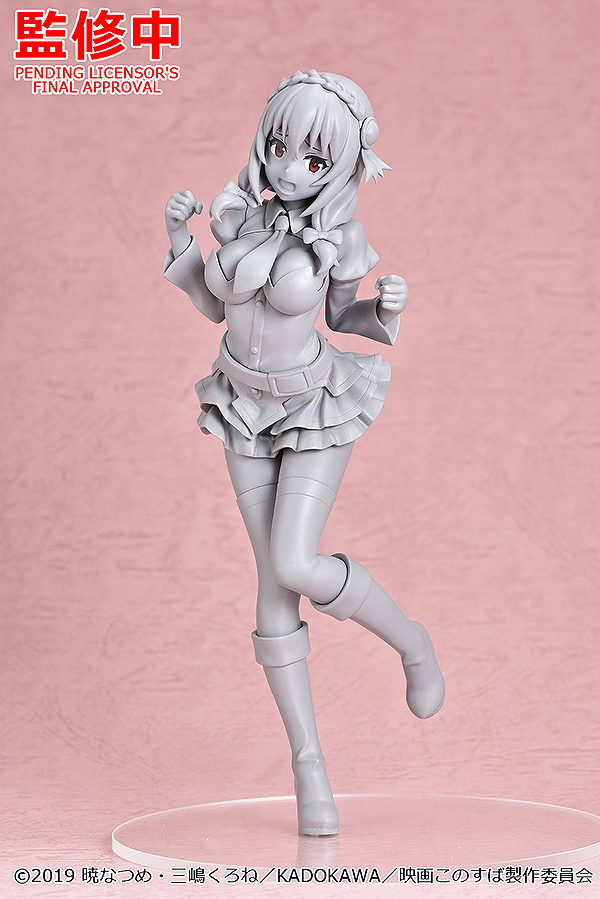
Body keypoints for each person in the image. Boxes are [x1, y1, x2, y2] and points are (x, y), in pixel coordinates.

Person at [163, 70, 445, 836]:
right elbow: (212, 302)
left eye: (314, 159)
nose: (290, 169)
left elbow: (344, 315)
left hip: (313, 403)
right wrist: (182, 240)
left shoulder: (339, 237)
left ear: (344, 165)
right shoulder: (241, 216)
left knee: (295, 561)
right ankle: (309, 764)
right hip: (240, 403)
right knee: (272, 590)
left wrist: (385, 308)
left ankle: (411, 640)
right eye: (280, 147)